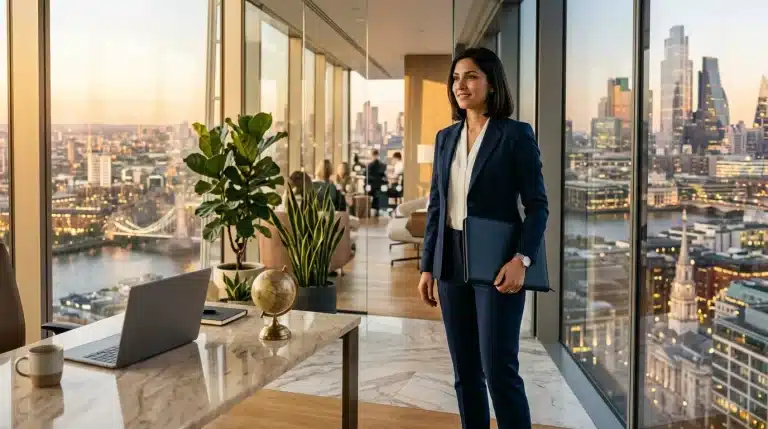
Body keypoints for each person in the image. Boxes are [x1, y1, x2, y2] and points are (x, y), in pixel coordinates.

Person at [417, 47, 548, 429]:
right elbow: (437, 206)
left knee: (499, 370)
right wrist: (428, 266)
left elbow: (538, 206)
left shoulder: (515, 135)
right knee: (465, 373)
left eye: (471, 76)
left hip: (498, 261)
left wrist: (521, 259)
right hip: (450, 261)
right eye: (456, 78)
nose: (461, 85)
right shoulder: (445, 138)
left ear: (491, 84)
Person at [365, 149, 387, 216]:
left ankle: (372, 212)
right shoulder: (382, 165)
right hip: (379, 185)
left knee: (372, 200)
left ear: (372, 155)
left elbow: (367, 176)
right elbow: (383, 176)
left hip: (372, 186)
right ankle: (377, 211)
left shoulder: (370, 165)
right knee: (377, 199)